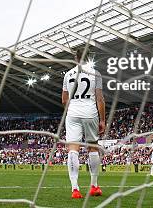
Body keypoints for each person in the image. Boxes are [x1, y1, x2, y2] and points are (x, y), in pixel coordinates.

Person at [62, 49, 105, 199]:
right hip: (90, 112)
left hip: (73, 113)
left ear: (75, 59)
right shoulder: (95, 73)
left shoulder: (68, 74)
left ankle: (75, 189)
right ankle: (94, 186)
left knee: (73, 149)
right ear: (88, 59)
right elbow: (100, 98)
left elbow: (64, 99)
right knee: (93, 147)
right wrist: (102, 120)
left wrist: (72, 109)